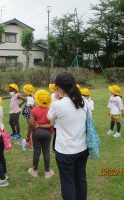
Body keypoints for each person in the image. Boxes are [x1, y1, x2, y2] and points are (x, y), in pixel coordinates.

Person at [47, 72, 88, 200]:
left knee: (67, 181)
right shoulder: (83, 101)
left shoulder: (57, 105)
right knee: (80, 179)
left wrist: (55, 98)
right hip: (82, 148)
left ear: (58, 88)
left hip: (65, 152)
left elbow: (50, 119)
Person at [28, 89, 54, 179]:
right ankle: (47, 172)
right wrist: (43, 125)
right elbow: (51, 124)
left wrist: (28, 135)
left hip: (36, 133)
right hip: (47, 133)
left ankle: (34, 170)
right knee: (46, 152)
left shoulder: (34, 110)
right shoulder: (50, 110)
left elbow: (31, 124)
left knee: (36, 152)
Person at [49, 83, 59, 152]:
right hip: (55, 118)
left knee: (56, 134)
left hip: (54, 117)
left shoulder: (52, 95)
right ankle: (54, 148)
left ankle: (54, 148)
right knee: (56, 135)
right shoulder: (54, 96)